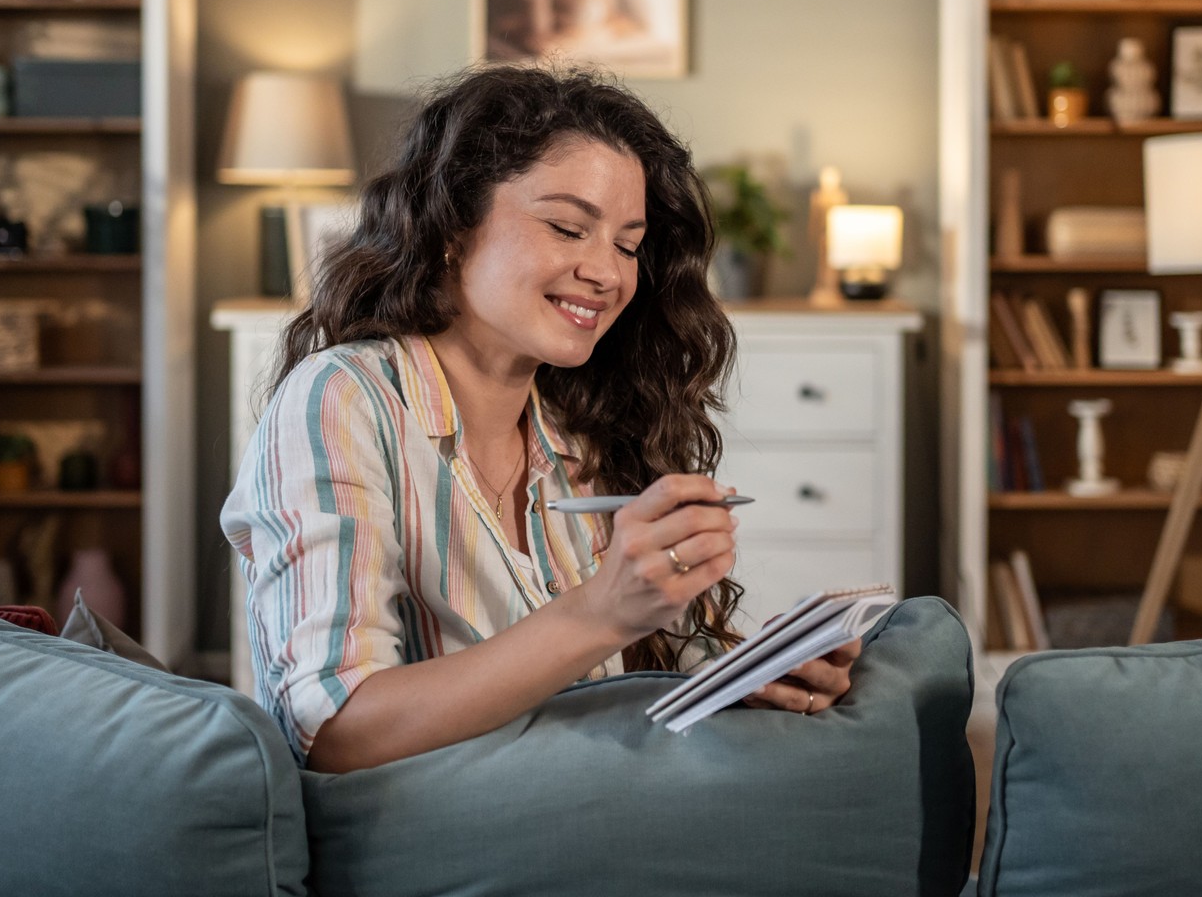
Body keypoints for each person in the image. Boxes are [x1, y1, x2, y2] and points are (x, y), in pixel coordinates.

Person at [220, 66, 861, 772]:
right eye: (567, 228)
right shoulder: (342, 399)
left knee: (896, 672)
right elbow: (334, 729)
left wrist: (748, 673)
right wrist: (600, 611)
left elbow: (648, 677)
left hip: (597, 807)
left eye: (626, 244)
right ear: (452, 230)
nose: (608, 275)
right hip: (432, 837)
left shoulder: (583, 425)